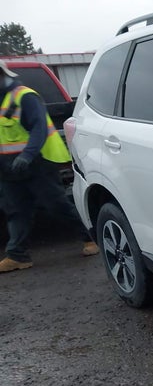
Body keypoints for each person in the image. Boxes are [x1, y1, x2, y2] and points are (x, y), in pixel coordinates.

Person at [0, 60, 98, 273]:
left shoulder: (24, 96)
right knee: (16, 211)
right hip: (8, 169)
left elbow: (39, 128)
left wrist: (26, 155)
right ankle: (17, 255)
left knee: (56, 205)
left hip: (37, 163)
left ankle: (91, 239)